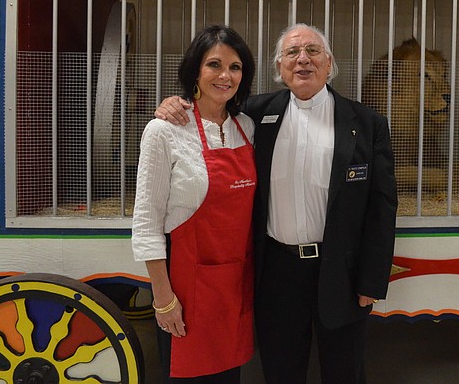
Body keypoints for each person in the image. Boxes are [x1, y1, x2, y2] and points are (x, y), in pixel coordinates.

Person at [156, 23, 398, 384]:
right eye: (292, 53)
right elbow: (210, 111)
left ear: (329, 63)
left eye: (313, 51)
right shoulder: (253, 116)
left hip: (343, 273)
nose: (303, 60)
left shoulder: (366, 123)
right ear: (280, 68)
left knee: (345, 372)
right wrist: (174, 105)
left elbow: (382, 208)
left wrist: (372, 281)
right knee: (281, 371)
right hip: (276, 273)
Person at [133, 25, 257, 383]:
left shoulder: (247, 127)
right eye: (214, 64)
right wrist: (163, 298)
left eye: (235, 67)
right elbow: (147, 222)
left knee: (229, 375)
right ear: (195, 71)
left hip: (234, 286)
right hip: (186, 290)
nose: (225, 75)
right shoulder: (165, 130)